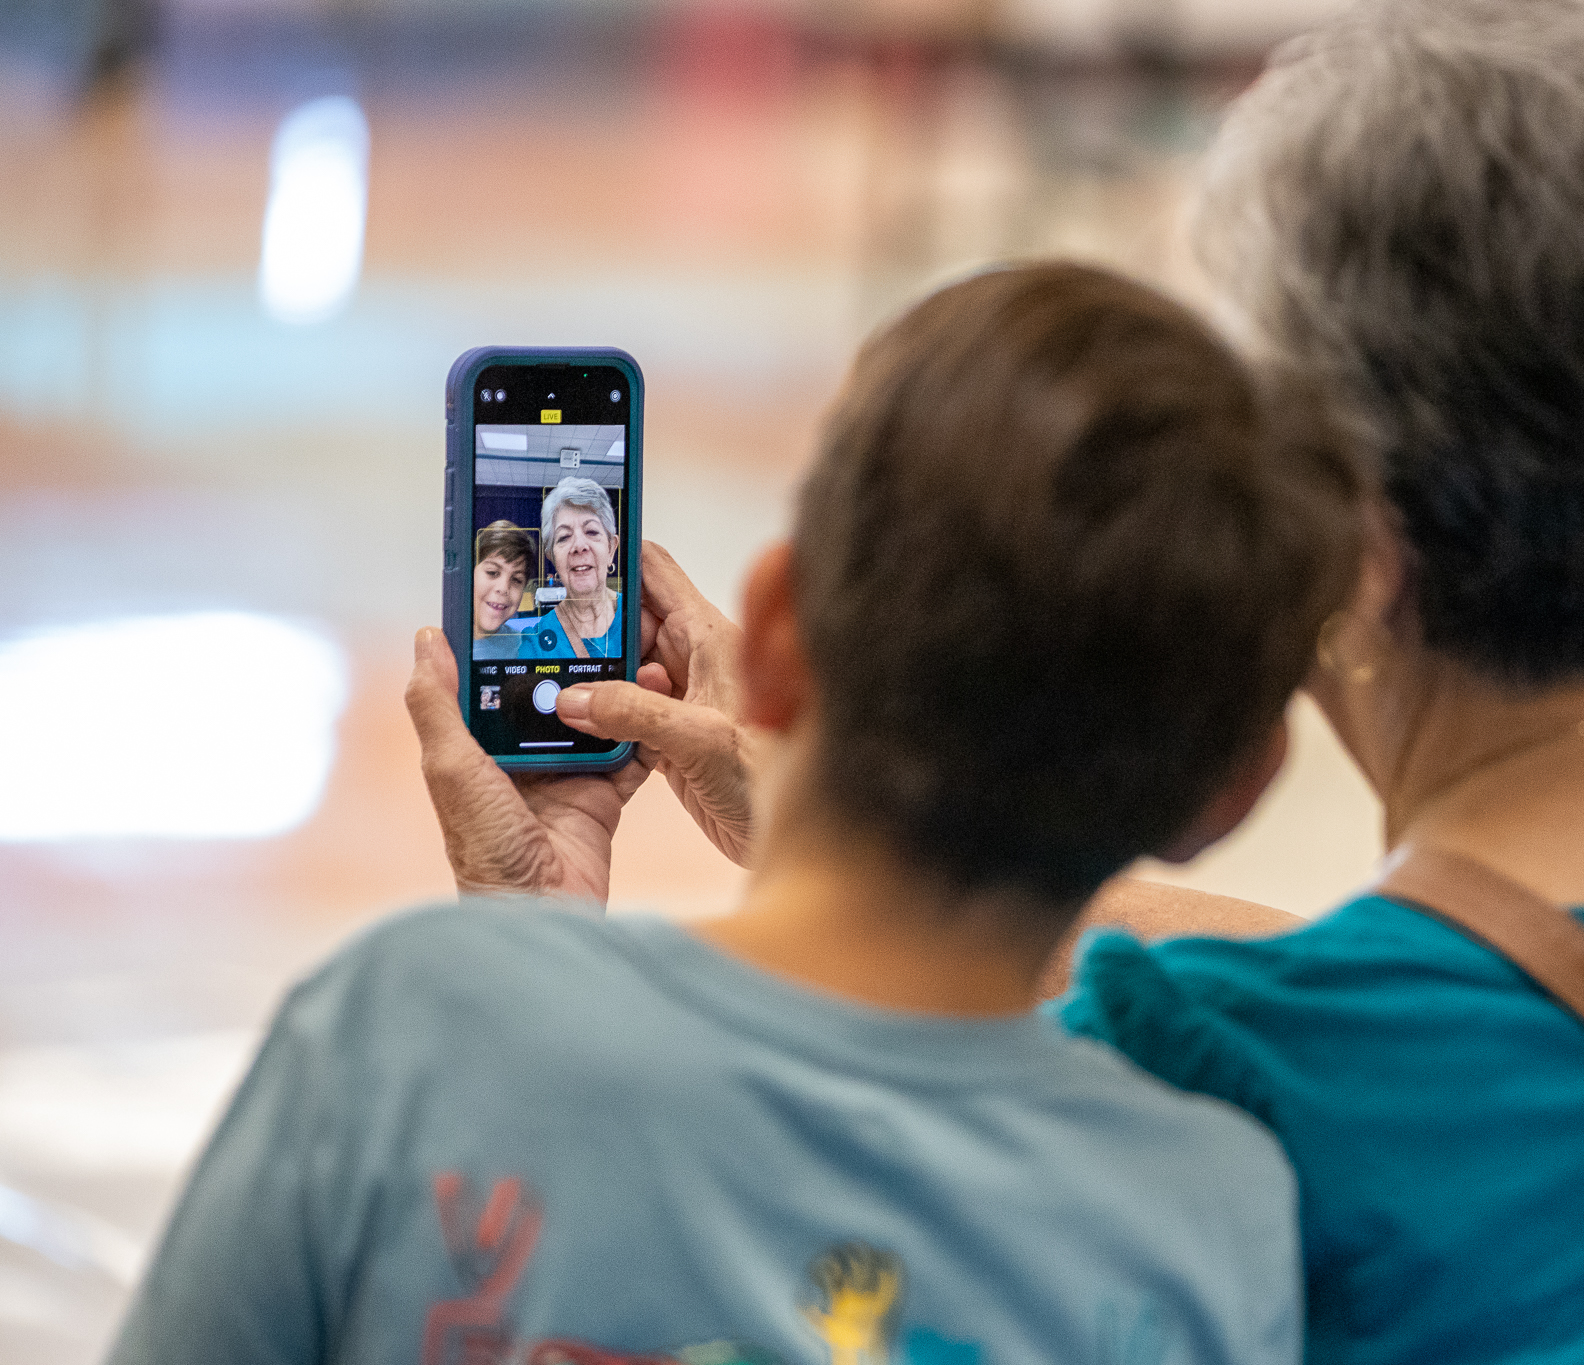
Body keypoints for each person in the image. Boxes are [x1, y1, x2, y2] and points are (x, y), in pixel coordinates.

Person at [544, 3, 1584, 1363]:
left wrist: (531, 943)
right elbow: (1479, 1011)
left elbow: (680, 1302)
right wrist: (894, 845)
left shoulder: (1208, 1100)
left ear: (1360, 549)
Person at [107, 262, 1363, 1364]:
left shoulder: (405, 1031)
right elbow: (1319, 981)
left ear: (768, 634)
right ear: (1235, 790)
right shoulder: (1219, 1217)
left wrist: (529, 959)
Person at [522, 475, 623, 659]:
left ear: (611, 549)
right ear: (551, 556)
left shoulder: (639, 621)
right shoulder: (535, 644)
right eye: (564, 537)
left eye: (591, 531)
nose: (579, 546)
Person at [472, 519, 536, 660]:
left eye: (516, 580)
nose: (503, 589)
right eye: (492, 572)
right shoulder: (442, 646)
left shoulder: (526, 647)